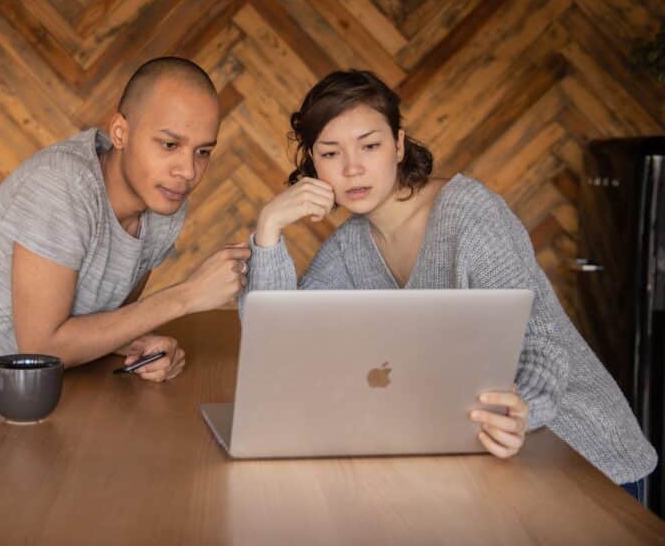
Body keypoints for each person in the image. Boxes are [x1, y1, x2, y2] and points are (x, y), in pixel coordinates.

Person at [242, 69, 656, 495]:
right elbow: (278, 348)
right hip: (485, 463)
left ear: (399, 145)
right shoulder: (347, 248)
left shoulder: (469, 214)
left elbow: (542, 341)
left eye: (370, 145)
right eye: (330, 153)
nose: (352, 168)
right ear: (313, 162)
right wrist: (269, 230)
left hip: (583, 455)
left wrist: (523, 410)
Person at [0, 57, 251, 463]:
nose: (188, 171)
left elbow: (100, 319)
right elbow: (41, 345)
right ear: (121, 132)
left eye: (203, 152)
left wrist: (138, 347)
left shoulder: (162, 203)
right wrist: (186, 296)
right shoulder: (62, 185)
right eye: (169, 144)